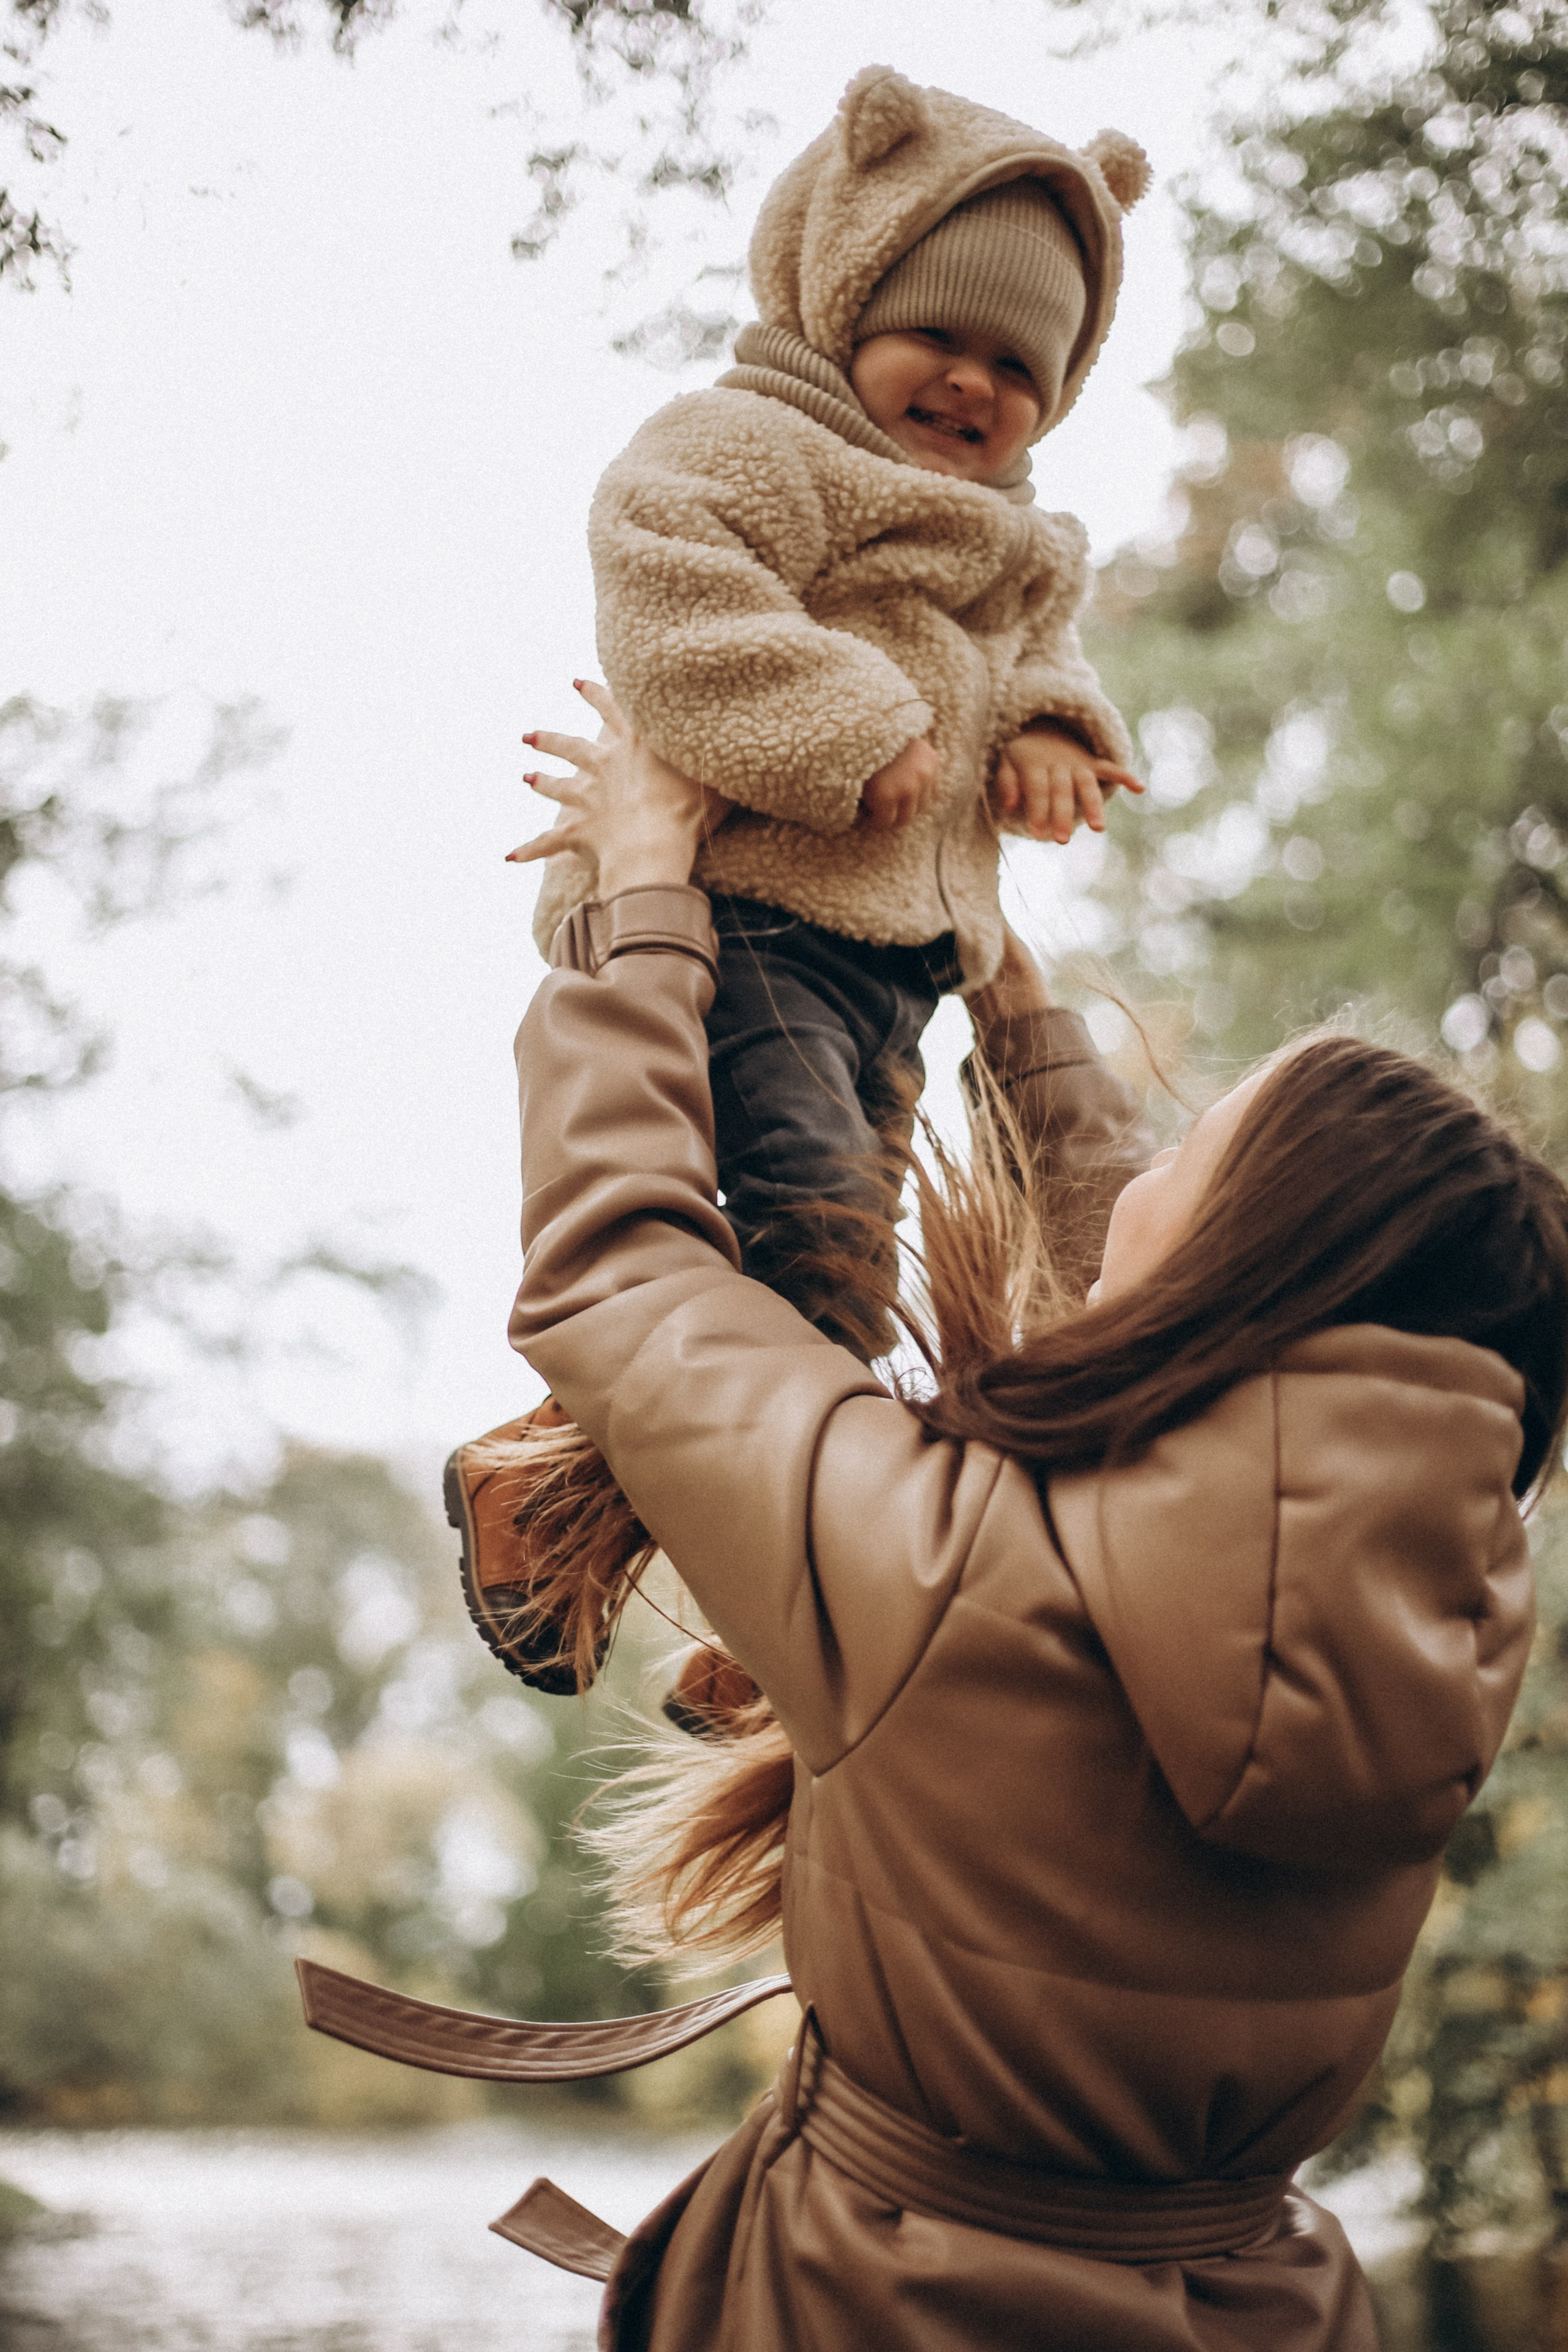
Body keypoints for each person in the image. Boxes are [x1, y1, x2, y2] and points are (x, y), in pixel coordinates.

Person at [490, 694, 1568, 2350]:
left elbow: (623, 1269)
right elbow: (1216, 1392)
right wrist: (1007, 987)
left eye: (1195, 1148)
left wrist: (642, 893)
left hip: (869, 2306)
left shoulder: (937, 1569)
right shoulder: (1447, 1641)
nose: (1142, 1167)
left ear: (1242, 1266)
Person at [450, 65, 1150, 1677]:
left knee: (830, 1277)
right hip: (746, 908)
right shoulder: (753, 443)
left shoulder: (1025, 541)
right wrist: (847, 722)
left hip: (894, 961)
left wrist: (1046, 733)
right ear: (843, 298)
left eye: (1018, 367)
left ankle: (611, 1526)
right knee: (819, 1250)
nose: (974, 385)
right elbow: (665, 580)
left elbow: (1050, 662)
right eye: (940, 339)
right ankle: (734, 1583)